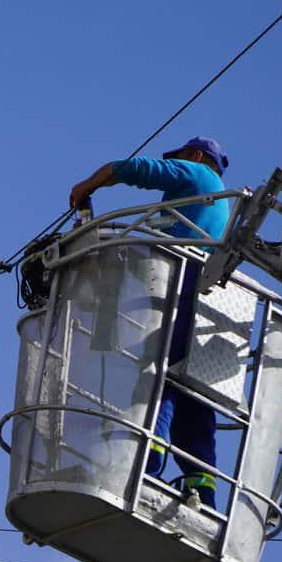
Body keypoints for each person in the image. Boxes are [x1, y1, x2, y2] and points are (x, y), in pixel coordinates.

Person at [68, 137, 231, 508]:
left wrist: (88, 185)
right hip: (208, 297)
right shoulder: (221, 204)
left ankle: (145, 465)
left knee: (158, 375)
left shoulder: (196, 174)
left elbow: (132, 169)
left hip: (177, 280)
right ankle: (202, 491)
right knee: (194, 391)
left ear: (195, 156)